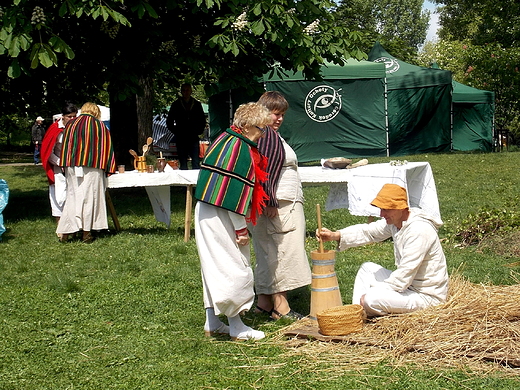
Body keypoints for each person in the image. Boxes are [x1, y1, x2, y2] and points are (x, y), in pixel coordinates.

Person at [194, 102, 272, 341]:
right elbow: (232, 197)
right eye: (261, 129)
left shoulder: (225, 139)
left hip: (206, 210)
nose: (262, 134)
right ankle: (237, 325)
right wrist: (241, 230)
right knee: (233, 266)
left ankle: (212, 322)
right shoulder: (239, 149)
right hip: (221, 215)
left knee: (212, 266)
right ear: (247, 126)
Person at [317, 183, 449, 317]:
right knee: (367, 269)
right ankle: (357, 315)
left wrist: (370, 294)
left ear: (400, 208)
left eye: (386, 209)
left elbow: (403, 275)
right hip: (408, 287)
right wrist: (335, 235)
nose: (381, 213)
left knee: (371, 299)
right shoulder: (396, 222)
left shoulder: (419, 230)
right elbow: (368, 232)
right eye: (381, 209)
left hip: (425, 296)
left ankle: (363, 309)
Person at [249, 91, 311, 321]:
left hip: (277, 202)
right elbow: (265, 172)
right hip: (279, 204)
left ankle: (264, 303)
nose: (279, 119)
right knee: (283, 251)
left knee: (267, 251)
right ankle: (281, 306)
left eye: (282, 114)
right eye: (275, 114)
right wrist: (270, 201)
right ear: (264, 113)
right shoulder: (266, 137)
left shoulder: (266, 135)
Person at [56, 103, 116, 243]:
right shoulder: (99, 125)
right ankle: (86, 232)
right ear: (96, 112)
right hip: (92, 166)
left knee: (72, 197)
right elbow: (106, 147)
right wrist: (109, 166)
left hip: (71, 164)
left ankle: (66, 231)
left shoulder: (71, 124)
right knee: (89, 198)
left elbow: (66, 145)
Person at [41, 103, 78, 230]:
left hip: (74, 165)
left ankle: (75, 224)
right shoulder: (55, 129)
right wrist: (60, 162)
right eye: (69, 117)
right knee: (58, 194)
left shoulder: (78, 128)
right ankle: (60, 224)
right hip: (58, 166)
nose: (72, 119)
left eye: (74, 116)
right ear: (63, 117)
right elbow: (47, 152)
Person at [166, 83, 206, 170]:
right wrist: (176, 131)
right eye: (183, 90)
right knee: (183, 162)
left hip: (193, 136)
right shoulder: (176, 105)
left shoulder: (197, 104)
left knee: (195, 161)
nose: (186, 92)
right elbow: (169, 121)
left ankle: (196, 182)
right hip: (181, 137)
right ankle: (183, 183)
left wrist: (199, 131)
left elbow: (202, 119)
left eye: (187, 90)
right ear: (181, 92)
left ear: (191, 91)